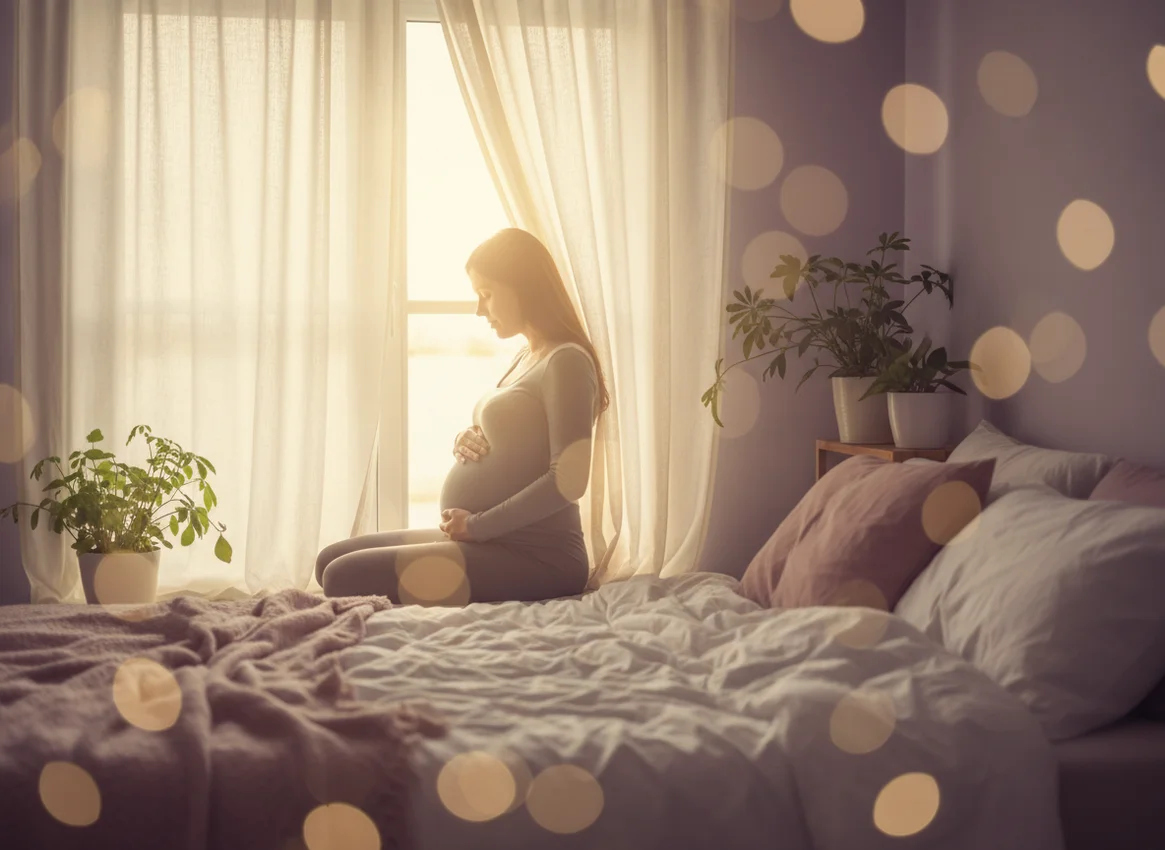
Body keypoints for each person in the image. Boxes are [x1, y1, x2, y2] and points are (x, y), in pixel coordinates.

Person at [316, 228, 609, 604]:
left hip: (538, 557)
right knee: (328, 561)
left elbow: (569, 480)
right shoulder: (526, 355)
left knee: (341, 576)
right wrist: (467, 437)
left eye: (486, 295)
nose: (479, 310)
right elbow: (519, 440)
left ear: (524, 287)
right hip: (491, 540)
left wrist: (476, 525)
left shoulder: (566, 361)